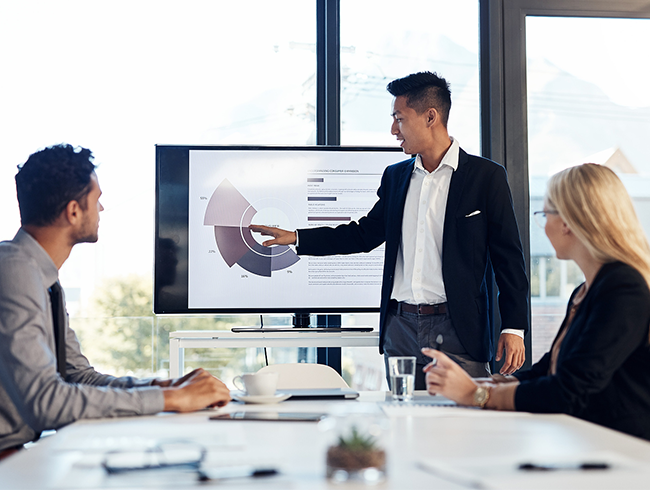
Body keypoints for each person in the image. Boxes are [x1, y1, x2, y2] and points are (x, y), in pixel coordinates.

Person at [251, 71, 529, 387]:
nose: (394, 130)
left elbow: (509, 259)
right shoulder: (395, 177)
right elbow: (364, 233)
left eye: (400, 118)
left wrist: (514, 327)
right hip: (401, 328)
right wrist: (297, 238)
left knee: (462, 427)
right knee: (404, 424)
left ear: (430, 117)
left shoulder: (486, 177)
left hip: (460, 328)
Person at [0, 144, 231, 459]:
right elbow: (46, 403)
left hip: (18, 454)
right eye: (96, 200)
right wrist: (170, 400)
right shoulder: (15, 271)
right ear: (73, 211)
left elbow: (78, 376)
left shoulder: (41, 276)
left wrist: (164, 387)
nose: (102, 209)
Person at [423, 163, 650, 440]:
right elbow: (552, 368)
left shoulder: (623, 289)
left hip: (624, 453)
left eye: (545, 214)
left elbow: (568, 390)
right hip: (593, 442)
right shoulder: (587, 289)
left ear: (567, 222)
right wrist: (484, 382)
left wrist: (478, 395)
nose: (543, 226)